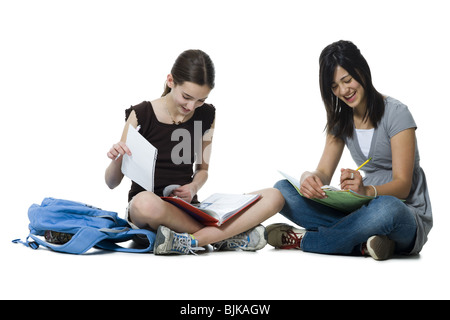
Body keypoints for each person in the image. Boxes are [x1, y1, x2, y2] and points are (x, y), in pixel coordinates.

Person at [105, 49, 284, 255]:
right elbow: (111, 183)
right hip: (149, 212)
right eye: (187, 97)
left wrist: (192, 188)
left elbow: (203, 170)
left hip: (190, 211)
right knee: (145, 203)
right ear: (171, 81)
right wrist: (118, 158)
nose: (192, 106)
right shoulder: (141, 114)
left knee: (275, 196)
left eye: (200, 100)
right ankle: (225, 236)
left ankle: (189, 240)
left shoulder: (206, 115)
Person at [267, 40, 432, 260]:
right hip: (362, 211)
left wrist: (366, 191)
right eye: (335, 86)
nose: (344, 91)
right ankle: (368, 243)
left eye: (347, 80)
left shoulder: (397, 113)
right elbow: (324, 173)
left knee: (386, 209)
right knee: (283, 190)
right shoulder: (341, 120)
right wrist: (309, 178)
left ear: (362, 72)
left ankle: (305, 240)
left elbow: (403, 186)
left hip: (404, 212)